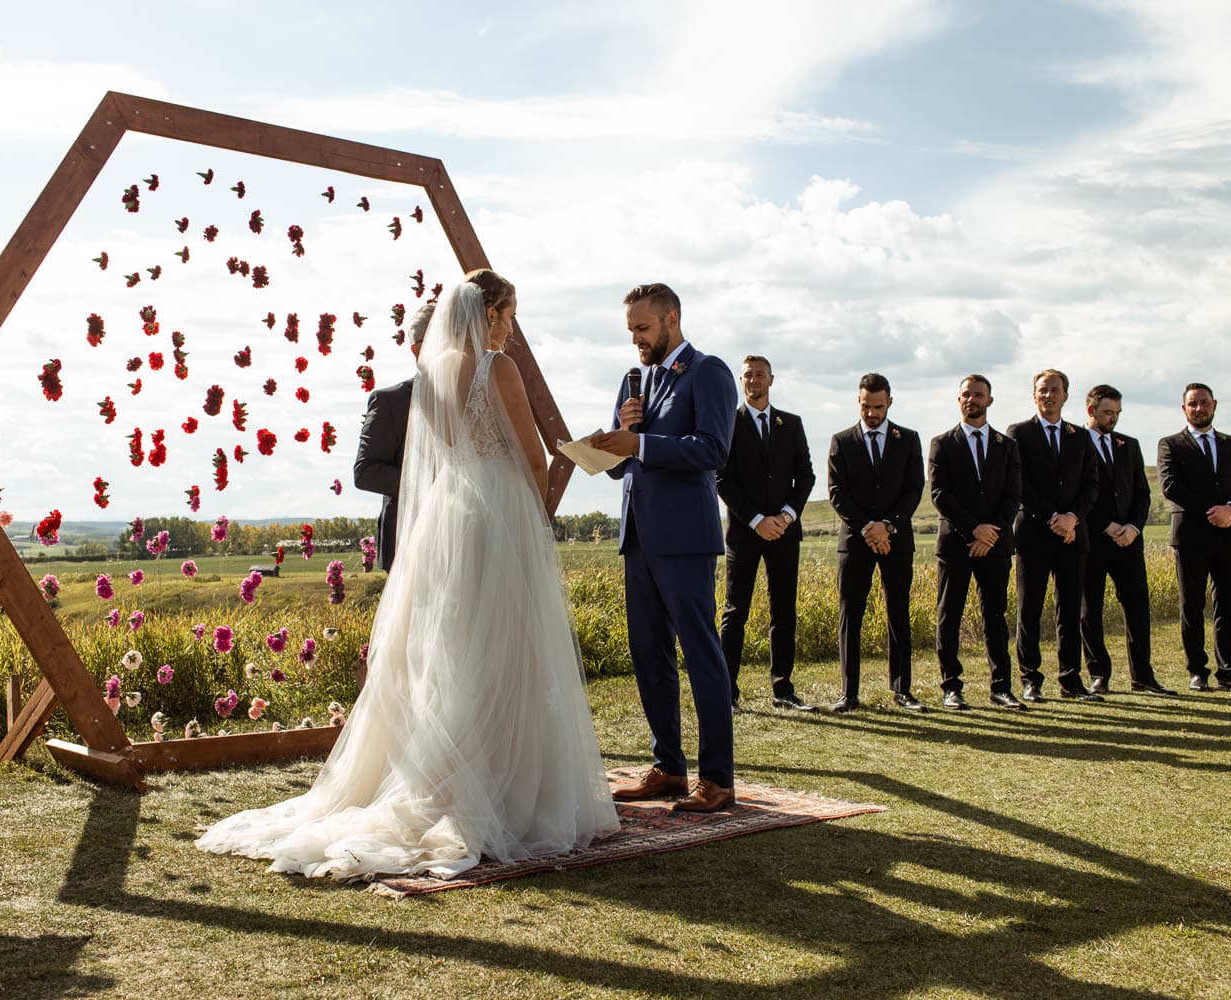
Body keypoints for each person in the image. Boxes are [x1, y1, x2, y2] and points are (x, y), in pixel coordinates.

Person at [197, 271, 619, 880]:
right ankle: (498, 785)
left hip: (451, 510)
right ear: (491, 314)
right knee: (503, 642)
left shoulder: (435, 372)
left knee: (450, 644)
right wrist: (537, 511)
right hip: (497, 508)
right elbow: (530, 453)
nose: (509, 327)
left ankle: (445, 771)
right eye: (508, 315)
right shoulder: (496, 368)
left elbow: (442, 450)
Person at [592, 283, 737, 812]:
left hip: (685, 538)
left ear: (671, 318)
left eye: (642, 328)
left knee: (701, 655)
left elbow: (713, 449)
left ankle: (718, 779)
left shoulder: (709, 372)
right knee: (649, 654)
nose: (635, 339)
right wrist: (615, 441)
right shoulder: (635, 381)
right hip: (638, 538)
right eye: (630, 330)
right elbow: (620, 467)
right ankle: (670, 768)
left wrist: (642, 444)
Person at [716, 355, 816, 713]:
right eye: (748, 376)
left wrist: (786, 516)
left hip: (785, 533)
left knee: (783, 612)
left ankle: (783, 690)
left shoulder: (791, 423)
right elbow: (722, 479)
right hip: (745, 532)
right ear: (741, 382)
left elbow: (806, 476)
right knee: (735, 611)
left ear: (771, 379)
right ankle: (727, 694)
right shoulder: (728, 422)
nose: (754, 380)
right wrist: (757, 519)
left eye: (760, 374)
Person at [826, 373, 925, 713]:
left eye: (878, 407)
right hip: (855, 542)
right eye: (866, 406)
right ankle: (848, 693)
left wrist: (888, 526)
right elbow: (837, 493)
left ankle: (903, 689)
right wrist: (869, 528)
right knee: (850, 616)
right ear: (858, 402)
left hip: (896, 540)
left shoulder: (908, 439)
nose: (871, 413)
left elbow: (914, 489)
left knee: (898, 612)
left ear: (890, 403)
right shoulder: (842, 441)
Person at [927, 375, 1026, 710]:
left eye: (978, 395)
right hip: (956, 544)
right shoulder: (943, 443)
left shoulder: (1006, 445)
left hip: (996, 545)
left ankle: (1001, 687)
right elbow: (941, 494)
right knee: (949, 616)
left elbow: (1014, 494)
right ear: (958, 400)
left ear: (990, 401)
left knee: (995, 617)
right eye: (966, 395)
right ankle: (951, 687)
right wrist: (974, 530)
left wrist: (992, 531)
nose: (972, 400)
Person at [1156, 383, 1231, 692]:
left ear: (1214, 404)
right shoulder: (1170, 444)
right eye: (1193, 404)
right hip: (1191, 536)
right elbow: (1170, 486)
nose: (1199, 408)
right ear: (1183, 408)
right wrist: (1211, 510)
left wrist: (1230, 509)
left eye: (1204, 402)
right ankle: (1197, 671)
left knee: (1228, 606)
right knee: (1192, 605)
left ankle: (1229, 671)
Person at [1007, 370, 1102, 703]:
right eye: (1042, 390)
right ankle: (1031, 679)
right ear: (1034, 396)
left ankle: (1070, 680)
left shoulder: (1079, 436)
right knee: (1029, 609)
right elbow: (1019, 484)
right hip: (1034, 533)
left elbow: (1092, 484)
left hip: (1073, 536)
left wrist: (1072, 518)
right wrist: (1051, 517)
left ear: (1066, 395)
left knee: (1070, 610)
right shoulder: (1018, 433)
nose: (1049, 395)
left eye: (1055, 390)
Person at [1081, 385, 1175, 695]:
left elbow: (1142, 493)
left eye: (1118, 413)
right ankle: (1099, 674)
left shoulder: (1129, 445)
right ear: (1091, 410)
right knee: (1089, 609)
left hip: (1129, 541)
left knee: (1137, 607)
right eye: (1108, 412)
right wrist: (1107, 526)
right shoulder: (1076, 443)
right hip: (1093, 540)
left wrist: (1133, 527)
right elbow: (1078, 494)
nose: (1113, 419)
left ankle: (1143, 676)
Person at [352, 301, 437, 571]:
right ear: (416, 350)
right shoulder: (391, 402)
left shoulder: (474, 399)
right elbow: (365, 472)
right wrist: (437, 484)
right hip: (407, 540)